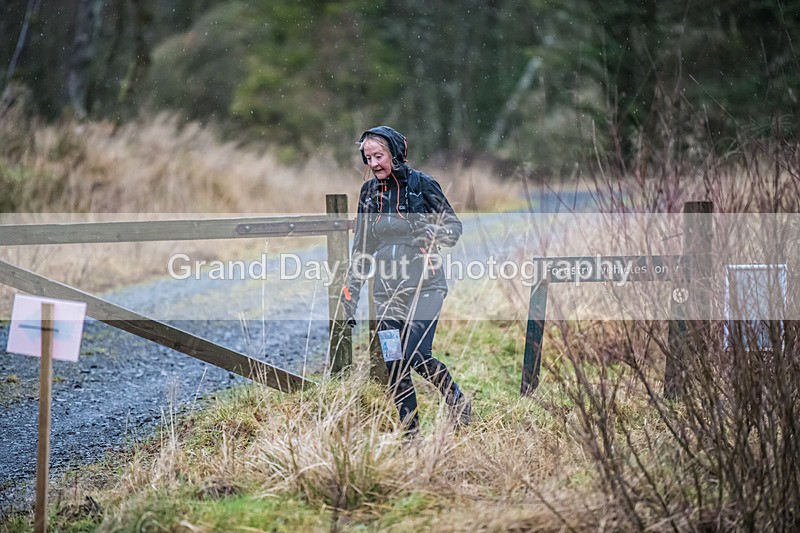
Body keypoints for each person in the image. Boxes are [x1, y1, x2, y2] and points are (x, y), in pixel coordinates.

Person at [340, 125, 471, 435]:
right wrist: (350, 295)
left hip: (427, 287)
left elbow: (454, 229)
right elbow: (361, 247)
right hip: (386, 294)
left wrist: (433, 232)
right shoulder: (369, 194)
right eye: (368, 157)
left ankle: (457, 402)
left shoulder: (422, 185)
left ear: (396, 154)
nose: (373, 164)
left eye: (379, 156)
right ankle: (411, 436)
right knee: (395, 364)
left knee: (415, 355)